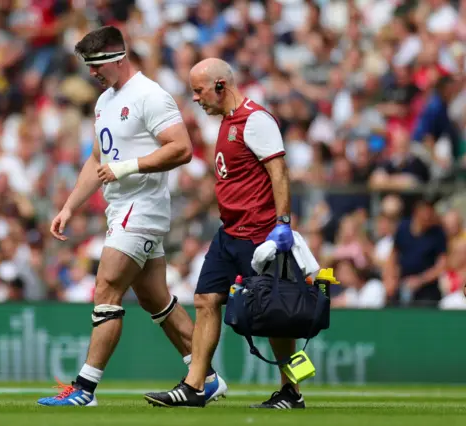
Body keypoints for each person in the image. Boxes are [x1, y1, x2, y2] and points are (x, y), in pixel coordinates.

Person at [37, 26, 227, 407]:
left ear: (118, 58)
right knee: (156, 299)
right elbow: (97, 159)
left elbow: (182, 148)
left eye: (97, 65)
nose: (91, 73)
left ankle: (84, 389)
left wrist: (127, 168)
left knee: (106, 287)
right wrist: (70, 206)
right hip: (120, 208)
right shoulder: (106, 100)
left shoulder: (150, 96)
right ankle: (205, 377)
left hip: (142, 208)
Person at [144, 58, 302, 408]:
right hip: (229, 231)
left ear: (220, 86)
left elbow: (279, 172)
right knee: (205, 299)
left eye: (199, 91)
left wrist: (283, 224)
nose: (196, 99)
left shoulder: (255, 120)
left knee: (274, 315)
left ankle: (291, 390)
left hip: (259, 234)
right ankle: (195, 385)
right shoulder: (227, 121)